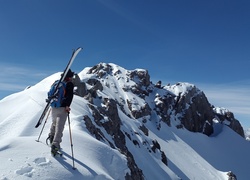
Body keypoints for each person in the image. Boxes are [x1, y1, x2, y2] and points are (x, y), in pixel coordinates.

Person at [48, 69, 74, 154]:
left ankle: (51, 137)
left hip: (54, 107)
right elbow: (69, 96)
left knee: (54, 123)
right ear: (69, 77)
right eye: (71, 76)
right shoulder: (69, 84)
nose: (71, 78)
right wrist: (67, 106)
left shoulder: (57, 83)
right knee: (60, 128)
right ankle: (55, 146)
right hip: (62, 109)